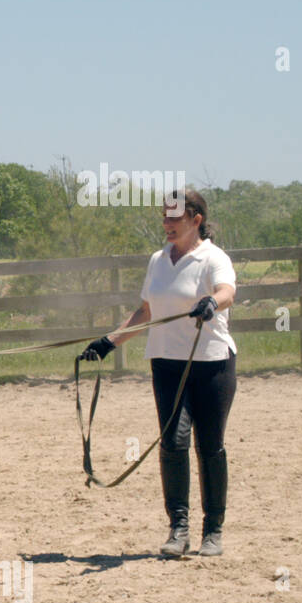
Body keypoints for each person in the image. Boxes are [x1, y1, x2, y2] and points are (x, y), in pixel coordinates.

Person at [81, 189, 237, 557]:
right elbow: (147, 311)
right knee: (172, 443)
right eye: (164, 217)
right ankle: (178, 529)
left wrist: (212, 302)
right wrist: (109, 342)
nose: (166, 224)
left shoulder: (213, 257)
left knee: (210, 447)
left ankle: (212, 530)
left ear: (195, 219)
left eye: (174, 218)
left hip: (211, 364)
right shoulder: (158, 260)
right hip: (167, 363)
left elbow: (228, 290)